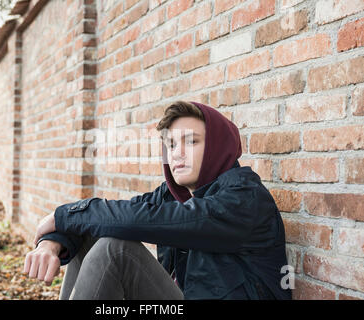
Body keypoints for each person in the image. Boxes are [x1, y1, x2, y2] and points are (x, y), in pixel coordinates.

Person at [23, 101, 292, 300]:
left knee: (114, 249)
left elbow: (165, 220)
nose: (177, 154)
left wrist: (65, 215)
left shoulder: (244, 198)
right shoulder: (174, 194)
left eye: (192, 142)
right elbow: (114, 218)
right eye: (172, 145)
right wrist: (53, 240)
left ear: (217, 147)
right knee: (99, 232)